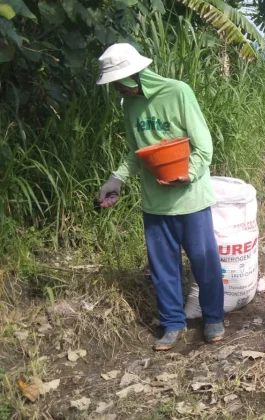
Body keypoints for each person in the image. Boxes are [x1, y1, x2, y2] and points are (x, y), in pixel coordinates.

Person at [95, 43, 224, 351]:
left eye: (118, 82)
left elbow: (204, 146)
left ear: (135, 75)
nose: (116, 89)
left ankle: (213, 319)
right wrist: (116, 179)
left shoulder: (178, 92)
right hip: (155, 203)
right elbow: (136, 152)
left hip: (190, 199)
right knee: (163, 269)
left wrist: (188, 173)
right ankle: (172, 324)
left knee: (204, 263)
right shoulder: (130, 105)